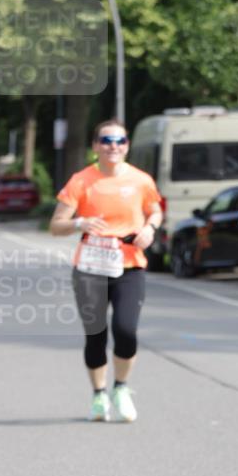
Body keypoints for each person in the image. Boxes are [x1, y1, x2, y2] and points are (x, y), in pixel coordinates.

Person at [49, 119, 163, 421]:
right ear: (95, 146)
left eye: (119, 140)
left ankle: (121, 388)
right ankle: (99, 394)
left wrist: (150, 228)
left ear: (126, 145)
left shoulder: (141, 180)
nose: (113, 146)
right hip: (90, 267)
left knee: (126, 331)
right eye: (106, 140)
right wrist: (79, 223)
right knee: (95, 335)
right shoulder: (81, 181)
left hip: (130, 265)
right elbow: (55, 226)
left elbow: (156, 209)